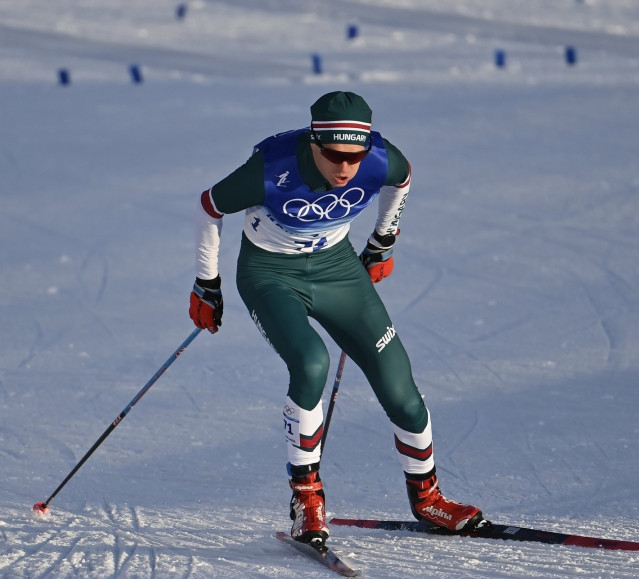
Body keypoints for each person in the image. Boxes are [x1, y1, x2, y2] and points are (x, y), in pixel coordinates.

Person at [189, 91, 488, 545]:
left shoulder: (382, 160)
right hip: (270, 274)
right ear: (314, 142)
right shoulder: (272, 168)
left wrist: (384, 240)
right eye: (333, 155)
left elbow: (401, 181)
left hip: (338, 269)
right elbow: (210, 207)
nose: (345, 167)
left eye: (355, 155)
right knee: (311, 362)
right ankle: (306, 500)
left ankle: (428, 499)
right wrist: (206, 284)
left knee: (399, 385)